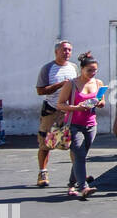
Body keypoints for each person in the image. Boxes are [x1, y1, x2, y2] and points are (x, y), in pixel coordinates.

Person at [56, 52, 105, 199]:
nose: (92, 73)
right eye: (89, 70)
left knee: (80, 156)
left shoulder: (98, 83)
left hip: (91, 125)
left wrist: (100, 103)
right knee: (80, 155)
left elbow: (102, 101)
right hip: (74, 125)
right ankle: (83, 187)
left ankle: (71, 184)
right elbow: (60, 104)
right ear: (81, 69)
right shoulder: (71, 84)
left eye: (95, 70)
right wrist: (77, 108)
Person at [35, 40, 77, 187]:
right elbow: (40, 90)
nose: (67, 53)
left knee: (74, 142)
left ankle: (77, 174)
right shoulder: (47, 69)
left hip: (67, 111)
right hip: (51, 110)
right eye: (64, 50)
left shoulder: (73, 67)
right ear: (56, 51)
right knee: (45, 143)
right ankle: (43, 172)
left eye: (69, 50)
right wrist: (60, 85)